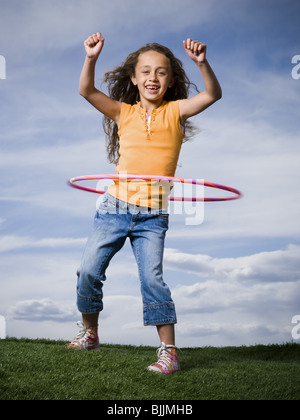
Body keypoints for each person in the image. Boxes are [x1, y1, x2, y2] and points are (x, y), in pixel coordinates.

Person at [66, 32, 222, 375]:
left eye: (162, 72)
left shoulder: (176, 113)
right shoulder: (123, 112)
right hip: (113, 207)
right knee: (88, 271)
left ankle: (169, 353)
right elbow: (87, 91)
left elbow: (212, 94)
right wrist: (90, 57)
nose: (154, 78)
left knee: (152, 279)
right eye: (147, 72)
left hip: (153, 215)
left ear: (171, 80)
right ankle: (90, 334)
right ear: (134, 78)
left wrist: (202, 62)